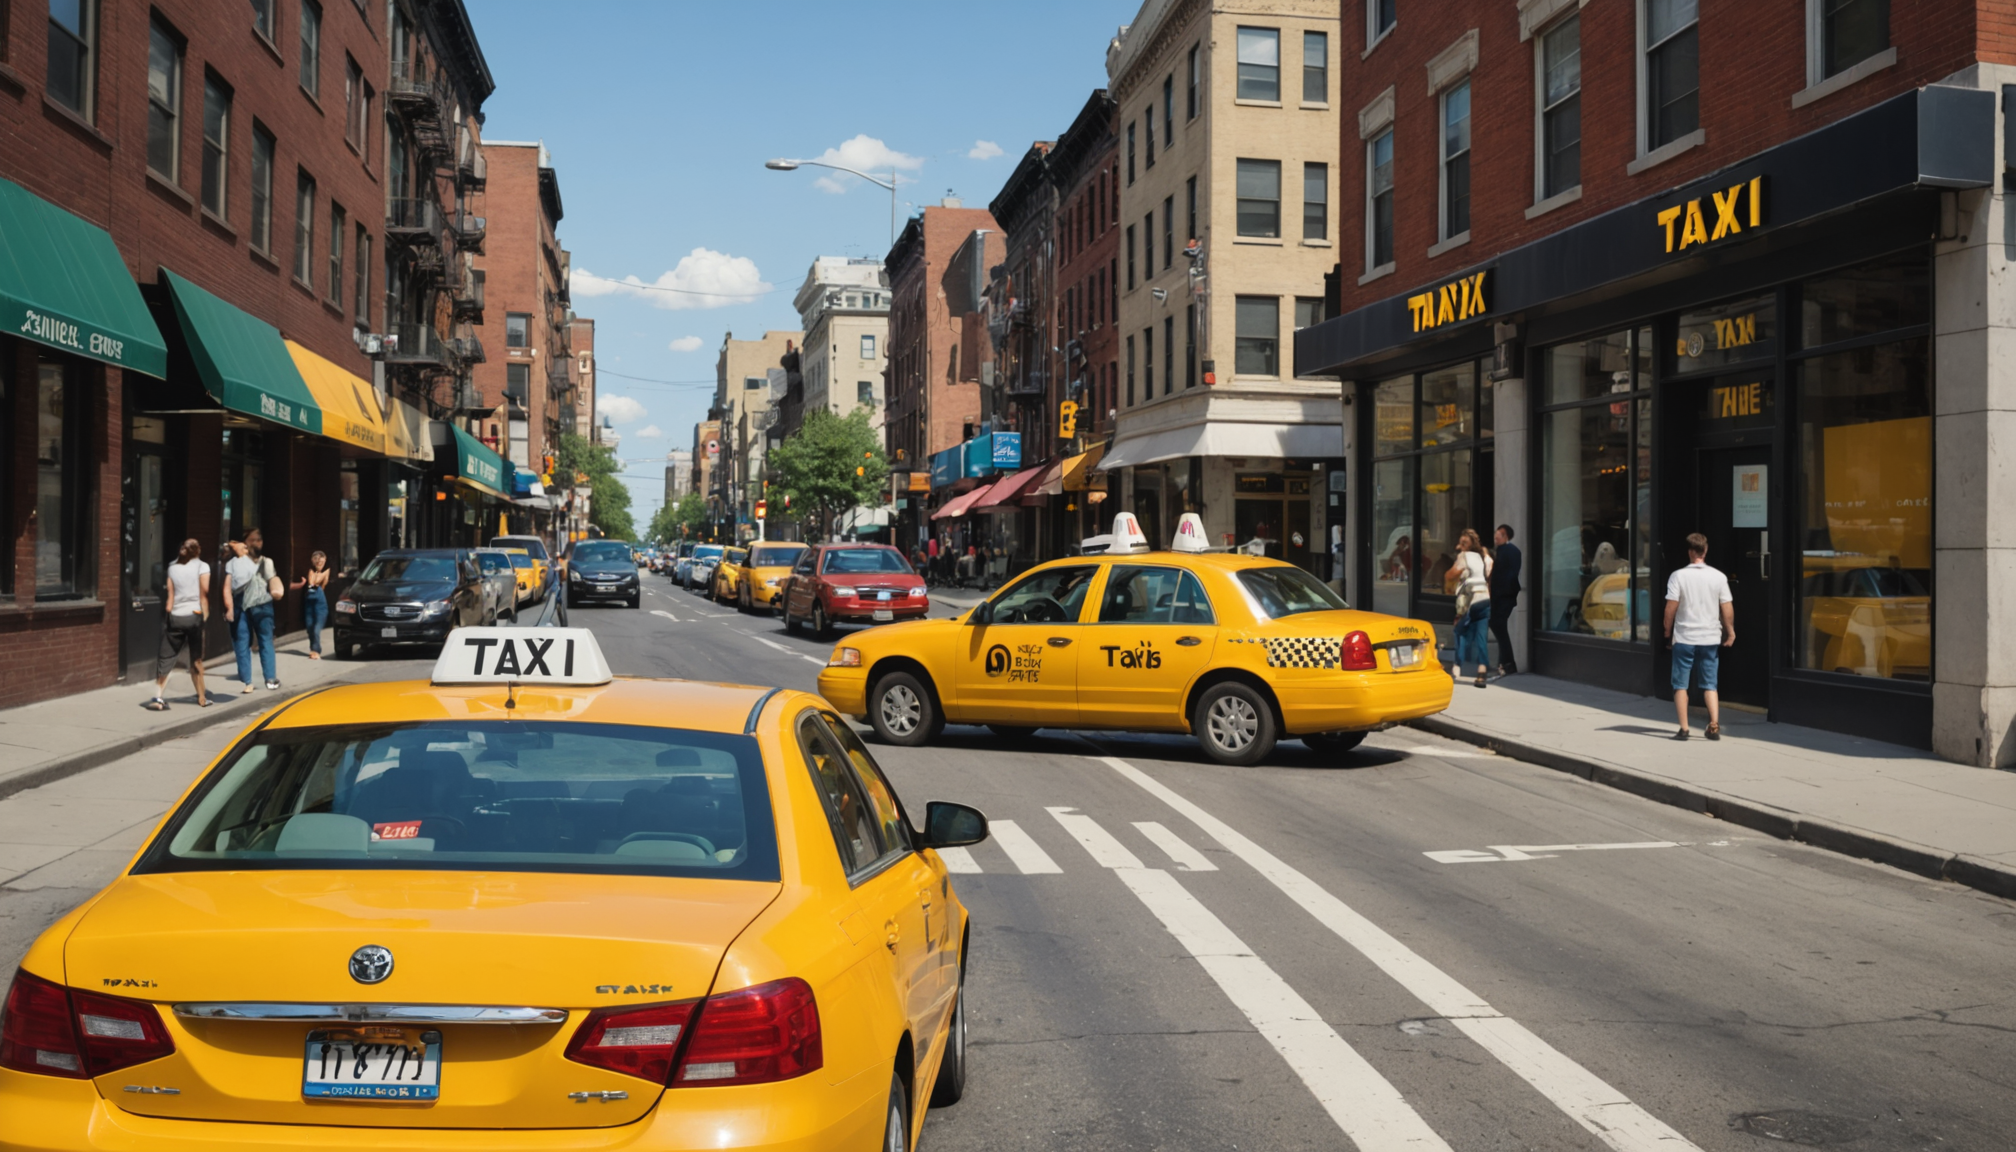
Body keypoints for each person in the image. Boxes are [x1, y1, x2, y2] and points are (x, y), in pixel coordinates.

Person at [1663, 532, 1735, 740]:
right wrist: (1730, 632)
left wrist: (1667, 632)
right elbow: (1727, 608)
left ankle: (1684, 729)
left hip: (1684, 637)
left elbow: (1670, 608)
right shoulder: (1719, 577)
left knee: (1680, 685)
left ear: (1690, 552)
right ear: (1706, 550)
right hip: (1710, 638)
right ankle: (1714, 725)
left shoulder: (1678, 576)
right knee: (1710, 684)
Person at [147, 539, 211, 711]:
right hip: (194, 616)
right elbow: (204, 593)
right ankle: (202, 697)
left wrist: (169, 616)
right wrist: (204, 617)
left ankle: (158, 697)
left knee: (166, 658)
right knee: (196, 659)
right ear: (197, 551)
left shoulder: (172, 567)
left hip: (176, 617)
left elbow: (170, 596)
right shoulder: (202, 566)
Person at [225, 529, 282, 693]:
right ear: (244, 543)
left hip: (262, 604)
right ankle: (247, 682)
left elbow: (272, 580)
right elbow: (227, 587)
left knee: (265, 641)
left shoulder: (267, 562)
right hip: (240, 605)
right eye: (252, 540)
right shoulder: (234, 563)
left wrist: (277, 589)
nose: (257, 543)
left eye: (259, 540)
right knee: (242, 642)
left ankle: (270, 678)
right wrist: (229, 608)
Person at [1449, 528, 1493, 688]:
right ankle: (1482, 672)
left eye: (1462, 543)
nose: (1460, 545)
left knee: (1459, 631)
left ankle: (1457, 666)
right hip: (1485, 599)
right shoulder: (1484, 556)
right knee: (1481, 636)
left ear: (1466, 544)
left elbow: (1450, 575)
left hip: (1471, 601)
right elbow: (1489, 569)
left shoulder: (1464, 556)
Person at [1489, 524, 1523, 676]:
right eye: (1495, 535)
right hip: (1498, 596)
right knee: (1497, 625)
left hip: (1505, 596)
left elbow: (1512, 574)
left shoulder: (1512, 551)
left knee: (1498, 625)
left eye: (1499, 535)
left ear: (1505, 536)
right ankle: (1505, 663)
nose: (1496, 537)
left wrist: (1503, 591)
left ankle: (1507, 663)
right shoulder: (1499, 551)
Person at [293, 551, 332, 659]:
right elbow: (309, 583)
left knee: (316, 628)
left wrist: (317, 581)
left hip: (320, 603)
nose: (319, 563)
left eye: (321, 561)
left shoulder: (326, 571)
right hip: (309, 602)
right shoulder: (309, 570)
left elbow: (322, 585)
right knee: (310, 627)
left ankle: (316, 650)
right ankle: (313, 649)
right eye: (316, 560)